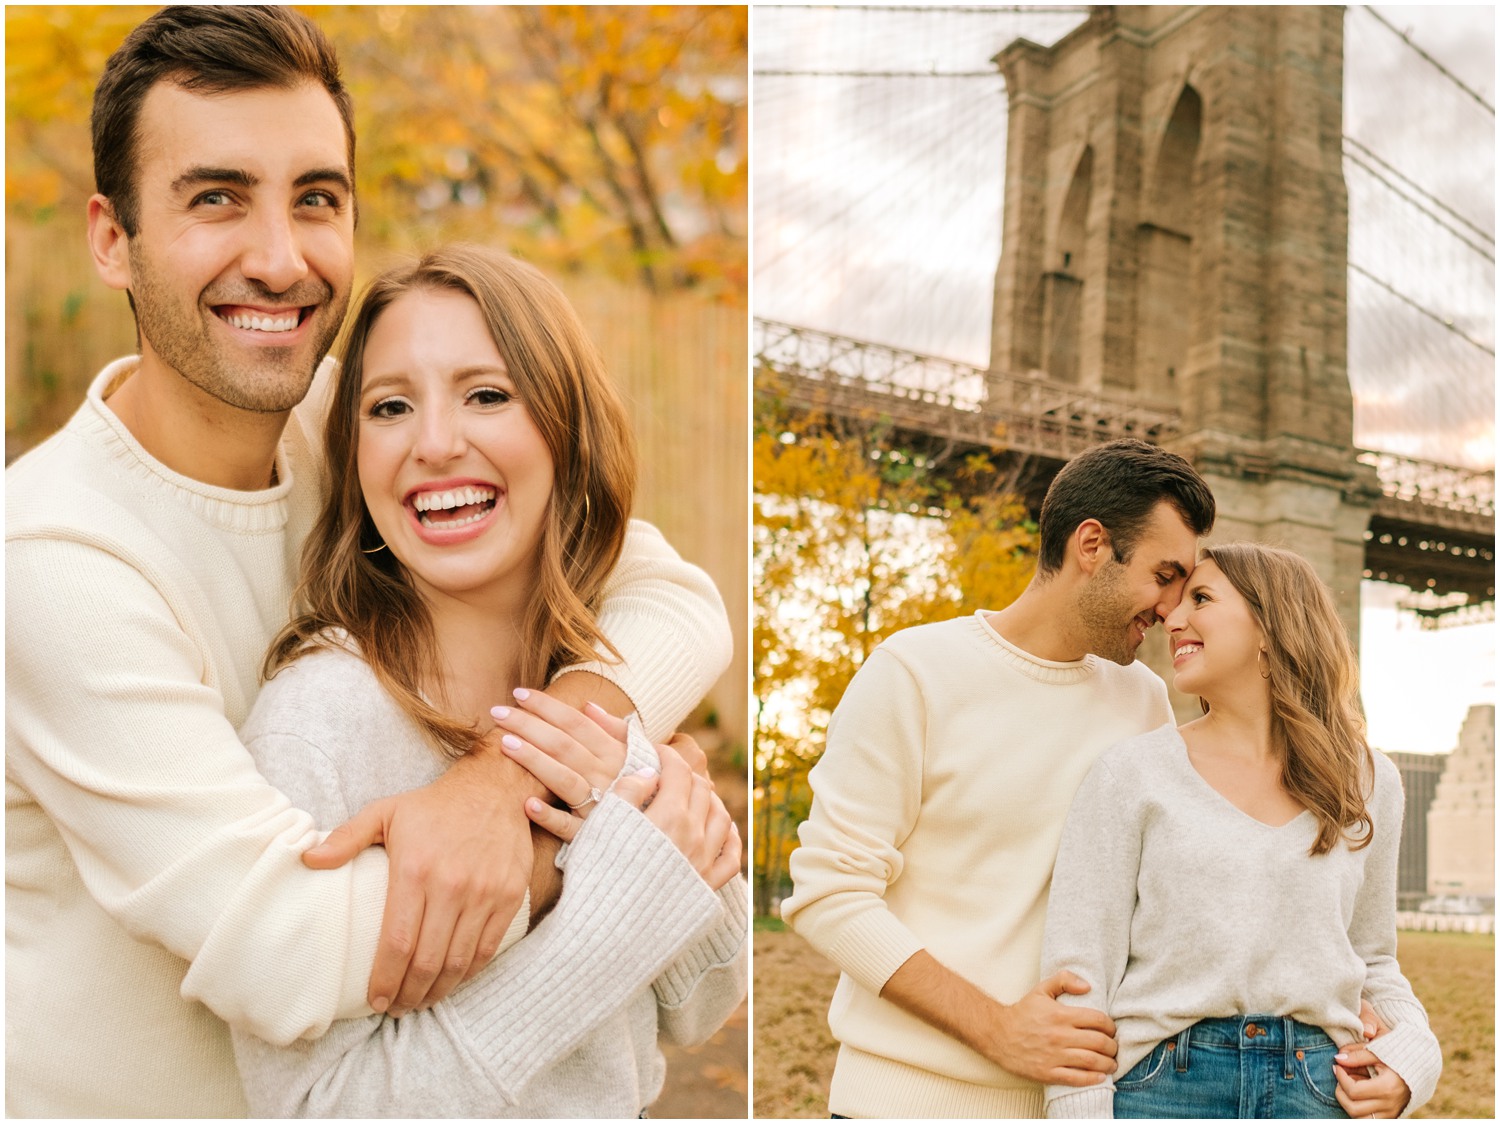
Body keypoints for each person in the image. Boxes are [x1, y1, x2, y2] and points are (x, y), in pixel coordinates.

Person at [5, 7, 731, 1117]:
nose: (281, 258)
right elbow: (287, 945)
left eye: (316, 198)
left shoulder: (355, 424)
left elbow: (667, 589)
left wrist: (512, 774)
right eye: (216, 198)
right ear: (112, 238)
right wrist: (619, 842)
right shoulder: (55, 557)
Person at [228, 244, 748, 1117]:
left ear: (565, 430)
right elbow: (324, 1108)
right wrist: (618, 905)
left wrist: (681, 856)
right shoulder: (318, 724)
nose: (435, 443)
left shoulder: (600, 682)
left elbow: (700, 1006)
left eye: (487, 395)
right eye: (390, 407)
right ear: (355, 456)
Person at [782, 439, 1218, 1118]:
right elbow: (829, 894)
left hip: (1078, 1106)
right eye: (1164, 575)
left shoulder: (1145, 703)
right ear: (1093, 545)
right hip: (900, 1105)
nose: (1171, 607)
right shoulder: (915, 672)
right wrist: (998, 1031)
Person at [1041, 543, 1442, 1119]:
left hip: (1320, 1086)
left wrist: (1414, 1060)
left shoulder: (1370, 780)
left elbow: (1372, 959)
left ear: (1271, 625)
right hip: (1158, 1087)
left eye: (1200, 598)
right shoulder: (1129, 774)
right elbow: (1080, 973)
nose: (1172, 618)